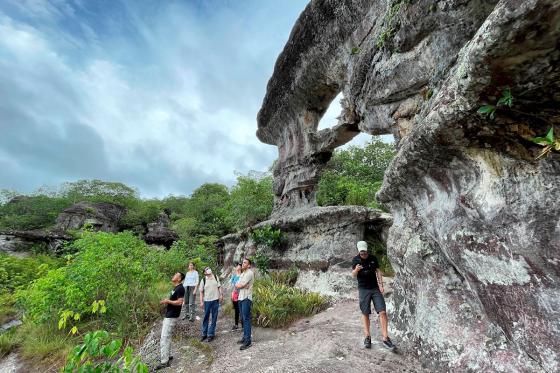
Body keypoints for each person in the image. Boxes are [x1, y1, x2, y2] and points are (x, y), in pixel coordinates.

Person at [351, 240, 396, 351]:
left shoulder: (373, 258)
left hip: (375, 288)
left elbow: (378, 271)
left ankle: (385, 338)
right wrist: (356, 270)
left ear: (367, 250)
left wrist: (381, 285)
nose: (363, 254)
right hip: (363, 289)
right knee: (365, 313)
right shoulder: (355, 260)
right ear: (359, 251)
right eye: (361, 252)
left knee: (382, 311)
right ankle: (367, 337)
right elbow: (352, 275)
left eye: (365, 252)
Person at [156, 272, 185, 370]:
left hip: (172, 316)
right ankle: (167, 355)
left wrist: (168, 301)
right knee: (167, 336)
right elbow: (174, 300)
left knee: (164, 337)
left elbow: (180, 302)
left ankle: (164, 362)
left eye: (176, 275)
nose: (174, 275)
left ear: (179, 279)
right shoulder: (176, 288)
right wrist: (167, 301)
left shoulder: (180, 288)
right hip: (170, 315)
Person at [199, 267, 223, 342]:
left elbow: (219, 287)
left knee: (214, 317)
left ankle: (211, 334)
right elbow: (201, 292)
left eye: (209, 268)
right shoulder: (203, 280)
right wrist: (201, 301)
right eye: (206, 269)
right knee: (206, 317)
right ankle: (204, 334)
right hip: (207, 301)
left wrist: (221, 295)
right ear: (204, 272)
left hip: (215, 300)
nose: (209, 269)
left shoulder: (216, 277)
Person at [235, 258, 254, 350]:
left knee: (246, 319)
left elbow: (240, 285)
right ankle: (245, 337)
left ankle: (248, 341)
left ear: (249, 265)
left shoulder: (249, 273)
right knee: (242, 318)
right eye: (242, 262)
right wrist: (241, 285)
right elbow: (237, 284)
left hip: (246, 298)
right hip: (240, 298)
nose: (243, 264)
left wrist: (241, 285)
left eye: (245, 263)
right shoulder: (242, 273)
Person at [230, 262, 242, 330]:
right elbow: (231, 284)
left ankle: (243, 325)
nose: (237, 267)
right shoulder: (234, 276)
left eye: (238, 266)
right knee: (236, 310)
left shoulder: (242, 275)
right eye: (237, 266)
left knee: (241, 309)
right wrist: (232, 293)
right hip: (234, 294)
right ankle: (236, 324)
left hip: (241, 294)